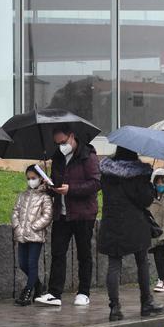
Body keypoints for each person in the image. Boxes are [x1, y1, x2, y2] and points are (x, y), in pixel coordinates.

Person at [36, 126, 101, 307]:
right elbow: (56, 181)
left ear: (72, 136)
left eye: (63, 142)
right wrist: (49, 185)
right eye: (57, 144)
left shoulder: (88, 156)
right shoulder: (57, 157)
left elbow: (96, 183)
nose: (61, 146)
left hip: (83, 214)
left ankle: (83, 292)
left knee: (84, 254)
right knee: (57, 253)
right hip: (62, 213)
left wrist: (71, 189)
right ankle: (54, 293)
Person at [99, 147, 161, 321]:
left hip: (111, 223)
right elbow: (146, 200)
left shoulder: (106, 173)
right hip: (135, 224)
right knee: (142, 262)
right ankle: (146, 303)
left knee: (113, 265)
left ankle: (114, 308)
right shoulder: (139, 174)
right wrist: (150, 185)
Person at [11, 165, 53, 306]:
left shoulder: (45, 197)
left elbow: (47, 216)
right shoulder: (23, 195)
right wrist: (18, 227)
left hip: (35, 236)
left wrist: (33, 227)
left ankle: (28, 291)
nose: (30, 181)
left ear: (41, 178)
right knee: (23, 264)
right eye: (28, 178)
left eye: (33, 178)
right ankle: (38, 285)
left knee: (31, 263)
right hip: (22, 235)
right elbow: (15, 211)